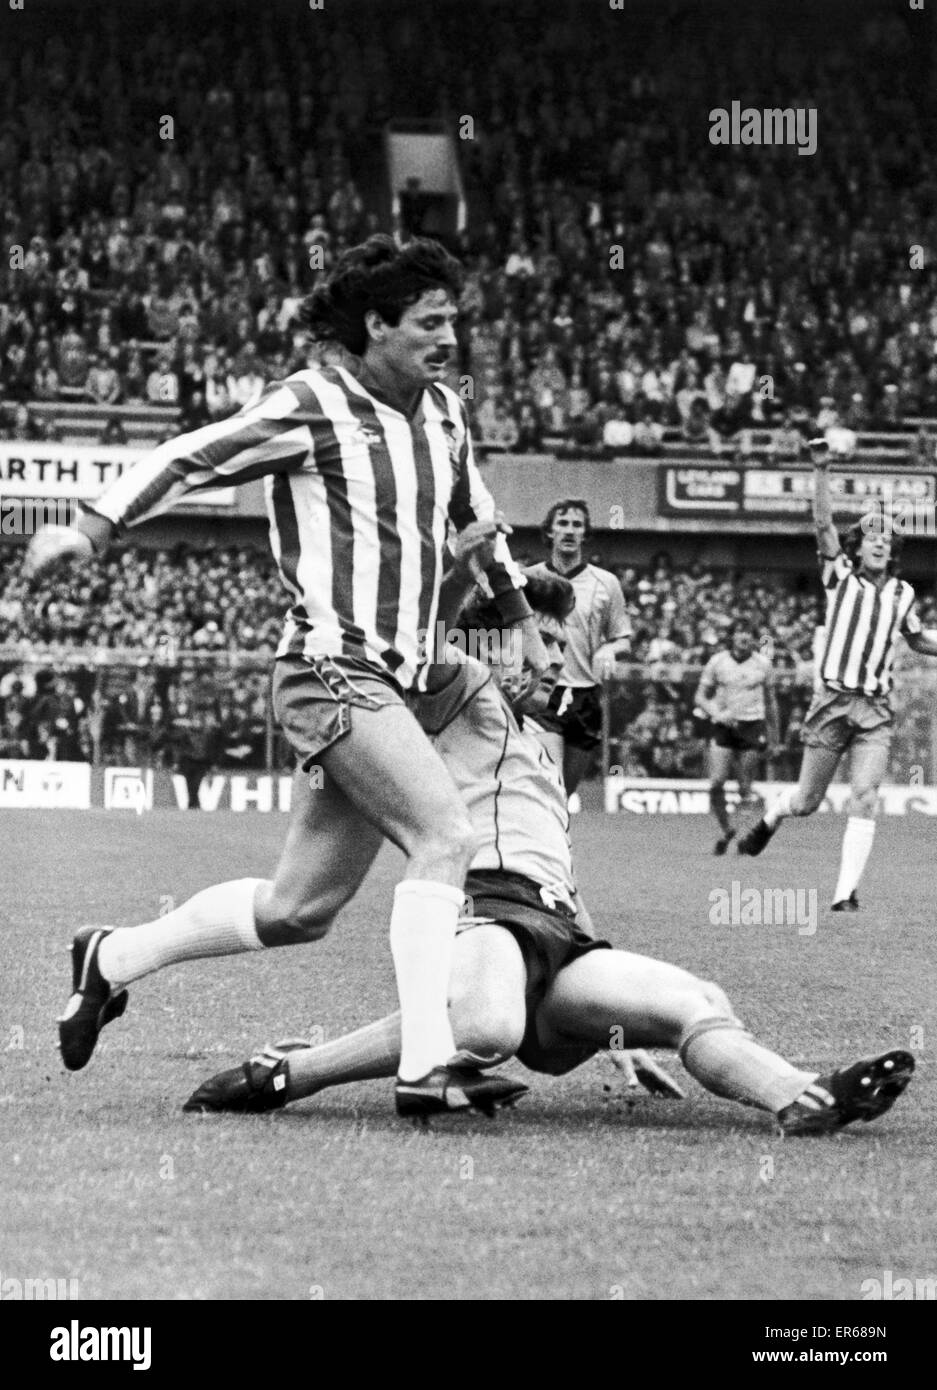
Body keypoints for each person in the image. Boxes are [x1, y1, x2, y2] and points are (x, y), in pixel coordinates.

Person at [24, 234, 548, 1119]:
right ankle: (426, 1065)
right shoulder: (310, 406)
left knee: (298, 909)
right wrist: (93, 528)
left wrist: (522, 620)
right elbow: (193, 454)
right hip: (332, 669)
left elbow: (477, 516)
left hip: (411, 680)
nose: (449, 336)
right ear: (376, 324)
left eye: (453, 319)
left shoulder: (445, 412)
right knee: (444, 837)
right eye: (430, 321)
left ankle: (110, 958)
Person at [186, 573, 914, 1137]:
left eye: (555, 646)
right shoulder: (454, 689)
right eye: (535, 642)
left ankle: (801, 1095)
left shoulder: (534, 748)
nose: (549, 661)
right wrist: (464, 562)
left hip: (558, 937)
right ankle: (290, 1072)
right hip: (483, 917)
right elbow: (412, 641)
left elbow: (558, 879)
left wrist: (616, 1035)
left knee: (699, 1004)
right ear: (486, 642)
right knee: (486, 1027)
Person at [738, 441, 937, 909]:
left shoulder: (903, 594)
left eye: (887, 537)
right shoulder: (839, 576)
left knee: (865, 796)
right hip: (830, 703)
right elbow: (822, 523)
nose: (880, 541)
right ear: (857, 545)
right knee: (806, 802)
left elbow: (918, 639)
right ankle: (771, 817)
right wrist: (821, 468)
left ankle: (844, 895)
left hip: (875, 710)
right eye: (871, 535)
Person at [526, 499, 632, 799]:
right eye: (563, 523)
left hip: (586, 697)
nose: (570, 531)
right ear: (549, 532)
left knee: (564, 795)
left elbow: (623, 638)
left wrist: (610, 650)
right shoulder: (528, 580)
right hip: (543, 692)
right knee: (549, 783)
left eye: (577, 525)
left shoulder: (606, 583)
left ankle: (557, 845)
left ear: (585, 534)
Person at [693, 622, 779, 854]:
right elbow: (700, 697)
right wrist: (718, 714)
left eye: (749, 633)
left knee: (745, 787)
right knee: (716, 782)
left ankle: (745, 837)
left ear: (753, 639)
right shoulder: (717, 662)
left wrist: (774, 737)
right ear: (732, 637)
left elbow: (771, 703)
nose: (744, 636)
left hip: (751, 726)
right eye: (740, 631)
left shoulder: (763, 665)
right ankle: (726, 830)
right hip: (723, 726)